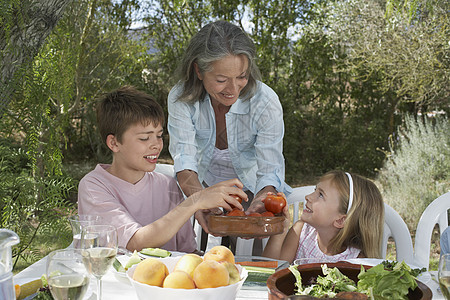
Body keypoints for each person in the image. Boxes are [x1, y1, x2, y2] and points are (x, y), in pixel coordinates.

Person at [167, 20, 291, 252]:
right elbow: (184, 161)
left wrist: (263, 199)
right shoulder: (180, 98)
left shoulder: (265, 102)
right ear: (198, 70)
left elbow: (270, 169)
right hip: (200, 185)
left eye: (242, 77)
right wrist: (200, 200)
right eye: (221, 80)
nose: (233, 89)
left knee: (251, 259)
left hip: (253, 188)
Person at [77, 86, 246, 253]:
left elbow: (188, 252)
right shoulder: (94, 186)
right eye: (144, 138)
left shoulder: (167, 186)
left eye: (159, 135)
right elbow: (136, 241)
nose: (156, 145)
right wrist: (195, 201)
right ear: (114, 143)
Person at [262, 170, 384, 264]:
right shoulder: (301, 232)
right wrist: (280, 229)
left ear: (340, 220)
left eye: (320, 195)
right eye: (315, 190)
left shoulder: (357, 260)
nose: (308, 196)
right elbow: (270, 270)